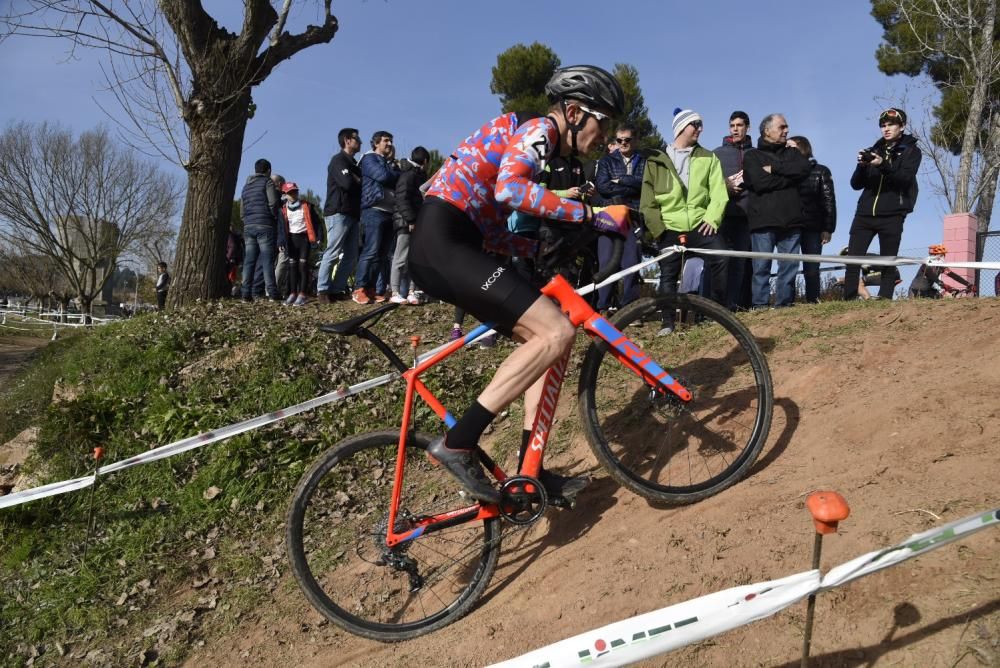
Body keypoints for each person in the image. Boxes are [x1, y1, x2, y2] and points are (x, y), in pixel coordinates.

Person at [408, 65, 629, 504]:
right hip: (443, 242)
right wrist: (589, 216)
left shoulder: (529, 139)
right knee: (557, 331)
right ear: (573, 112)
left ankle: (532, 470)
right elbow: (511, 190)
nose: (604, 137)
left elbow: (490, 225)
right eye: (602, 122)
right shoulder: (540, 129)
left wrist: (534, 253)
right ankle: (458, 442)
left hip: (455, 242)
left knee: (547, 343)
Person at [639, 108, 729, 335]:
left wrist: (712, 217)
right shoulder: (655, 160)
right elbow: (647, 201)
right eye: (695, 124)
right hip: (668, 227)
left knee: (721, 258)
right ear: (681, 127)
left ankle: (716, 315)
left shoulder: (709, 157)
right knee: (667, 274)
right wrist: (658, 230)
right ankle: (667, 322)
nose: (700, 129)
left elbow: (719, 192)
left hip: (701, 224)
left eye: (700, 124)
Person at [843, 107, 922, 301]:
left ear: (902, 126)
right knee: (853, 259)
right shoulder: (874, 150)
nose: (886, 129)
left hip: (892, 214)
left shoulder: (911, 151)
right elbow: (855, 184)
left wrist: (882, 165)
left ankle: (885, 298)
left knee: (888, 259)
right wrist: (862, 166)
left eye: (891, 125)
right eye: (883, 125)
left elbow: (904, 179)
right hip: (864, 214)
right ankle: (849, 298)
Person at [742, 114, 811, 308]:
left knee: (789, 267)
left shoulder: (792, 152)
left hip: (792, 221)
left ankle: (784, 307)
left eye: (787, 127)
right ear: (767, 130)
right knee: (761, 268)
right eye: (782, 127)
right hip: (763, 222)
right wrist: (789, 177)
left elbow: (804, 169)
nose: (786, 130)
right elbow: (759, 182)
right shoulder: (752, 156)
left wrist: (774, 168)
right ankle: (760, 307)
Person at [595, 124, 646, 312]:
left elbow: (645, 186)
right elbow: (603, 187)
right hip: (609, 216)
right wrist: (631, 187)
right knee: (606, 262)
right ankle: (603, 308)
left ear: (635, 140)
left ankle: (630, 309)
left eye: (627, 139)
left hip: (634, 216)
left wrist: (622, 180)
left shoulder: (644, 161)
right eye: (619, 140)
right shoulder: (606, 161)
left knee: (631, 262)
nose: (623, 143)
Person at [787, 136, 836, 303]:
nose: (788, 150)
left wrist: (828, 228)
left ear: (803, 148)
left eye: (791, 146)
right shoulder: (785, 172)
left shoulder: (821, 171)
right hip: (791, 225)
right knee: (789, 266)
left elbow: (828, 201)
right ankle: (787, 302)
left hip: (813, 227)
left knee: (812, 268)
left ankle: (813, 301)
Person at [354, 131, 400, 305]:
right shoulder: (369, 159)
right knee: (371, 250)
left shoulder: (388, 163)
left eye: (391, 140)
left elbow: (394, 178)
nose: (389, 144)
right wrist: (397, 175)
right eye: (386, 140)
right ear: (376, 143)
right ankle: (359, 288)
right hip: (374, 209)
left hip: (389, 212)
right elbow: (383, 177)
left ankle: (371, 289)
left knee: (382, 254)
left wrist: (395, 173)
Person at [713, 111, 754, 310]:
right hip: (723, 214)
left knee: (740, 264)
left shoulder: (756, 154)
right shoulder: (717, 153)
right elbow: (708, 184)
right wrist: (725, 186)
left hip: (747, 216)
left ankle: (732, 306)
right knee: (719, 261)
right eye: (732, 125)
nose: (735, 129)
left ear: (748, 127)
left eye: (739, 125)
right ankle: (714, 306)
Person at [318, 128, 363, 303]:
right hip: (338, 212)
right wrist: (355, 180)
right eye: (356, 138)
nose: (360, 141)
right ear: (347, 140)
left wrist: (356, 179)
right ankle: (322, 290)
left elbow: (359, 185)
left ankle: (337, 289)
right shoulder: (338, 160)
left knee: (351, 255)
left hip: (353, 213)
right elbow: (347, 184)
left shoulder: (354, 165)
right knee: (333, 252)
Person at [390, 146, 430, 305]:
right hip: (406, 223)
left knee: (413, 259)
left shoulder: (417, 176)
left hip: (416, 222)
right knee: (400, 258)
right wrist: (411, 220)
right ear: (425, 161)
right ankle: (394, 291)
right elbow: (401, 199)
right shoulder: (408, 175)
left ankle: (412, 292)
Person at [240, 158, 282, 302]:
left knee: (249, 261)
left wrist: (246, 221)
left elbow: (241, 209)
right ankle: (272, 293)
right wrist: (272, 215)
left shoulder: (246, 186)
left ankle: (245, 293)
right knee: (267, 260)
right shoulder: (267, 182)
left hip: (248, 226)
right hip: (265, 225)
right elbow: (273, 202)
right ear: (268, 170)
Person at [278, 182, 320, 306]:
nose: (293, 195)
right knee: (292, 267)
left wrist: (318, 237)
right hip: (291, 240)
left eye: (295, 192)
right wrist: (280, 241)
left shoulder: (307, 206)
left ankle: (303, 294)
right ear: (285, 195)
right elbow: (280, 228)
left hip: (304, 239)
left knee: (303, 266)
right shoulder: (283, 210)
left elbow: (316, 222)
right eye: (290, 193)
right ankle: (292, 293)